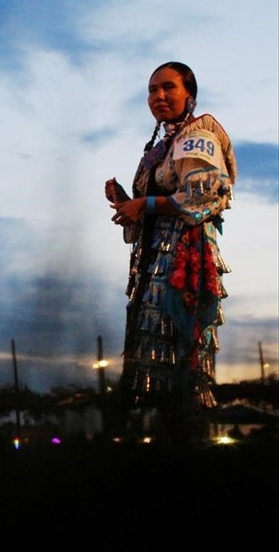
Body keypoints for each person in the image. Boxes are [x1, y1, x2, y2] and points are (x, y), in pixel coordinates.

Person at [105, 61, 237, 447]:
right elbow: (154, 209)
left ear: (188, 94)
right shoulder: (161, 148)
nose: (159, 96)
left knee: (179, 368)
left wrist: (144, 205)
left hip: (182, 264)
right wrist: (129, 204)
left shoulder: (199, 137)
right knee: (156, 370)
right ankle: (172, 466)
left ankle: (192, 464)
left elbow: (202, 195)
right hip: (152, 265)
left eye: (168, 88)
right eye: (152, 90)